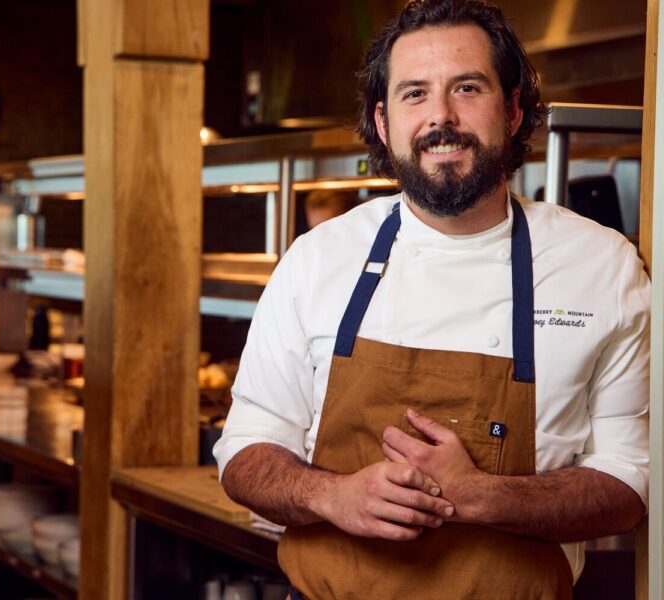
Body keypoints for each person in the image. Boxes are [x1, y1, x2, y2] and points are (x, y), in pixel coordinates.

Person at [214, 0, 650, 597]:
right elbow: (244, 450)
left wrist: (480, 497)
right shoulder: (318, 261)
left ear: (514, 107)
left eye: (467, 87)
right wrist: (331, 495)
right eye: (414, 93)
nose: (440, 117)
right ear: (385, 121)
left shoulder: (601, 268)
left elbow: (631, 483)